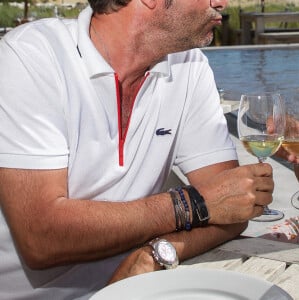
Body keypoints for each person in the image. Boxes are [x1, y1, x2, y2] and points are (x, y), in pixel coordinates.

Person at [0, 0, 277, 299]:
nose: (220, 2)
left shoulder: (190, 66)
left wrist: (155, 254)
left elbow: (232, 207)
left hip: (136, 288)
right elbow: (41, 239)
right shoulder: (32, 56)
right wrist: (191, 205)